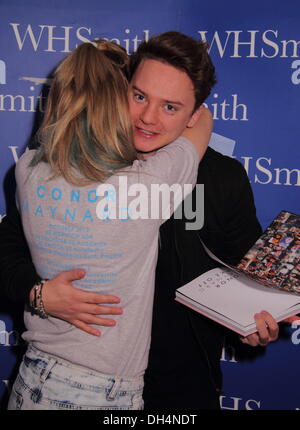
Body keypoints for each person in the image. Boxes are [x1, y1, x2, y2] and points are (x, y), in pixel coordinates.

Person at [0, 32, 278, 410]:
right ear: (117, 91)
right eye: (140, 96)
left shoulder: (223, 177)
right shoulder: (70, 166)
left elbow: (246, 273)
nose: (148, 118)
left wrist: (254, 321)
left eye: (170, 107)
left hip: (182, 390)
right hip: (96, 379)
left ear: (194, 114)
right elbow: (7, 250)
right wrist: (39, 294)